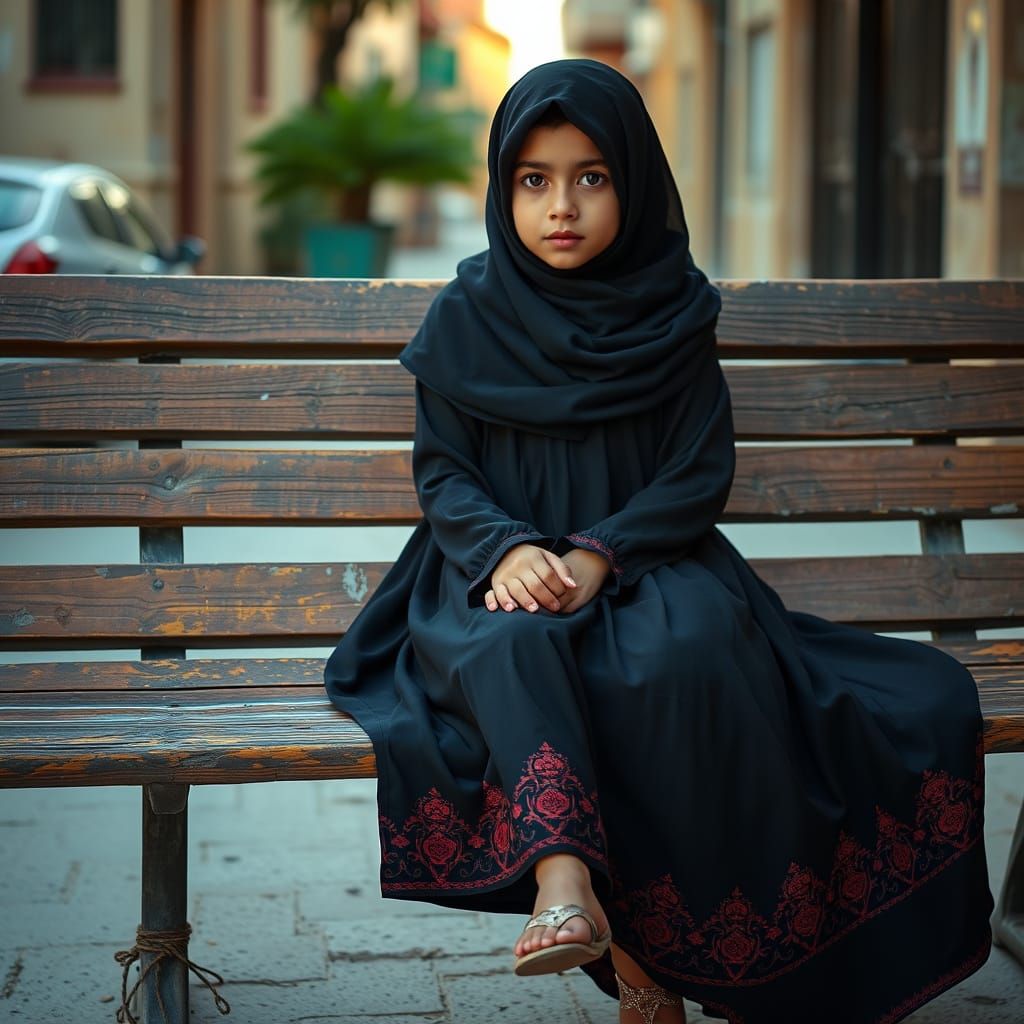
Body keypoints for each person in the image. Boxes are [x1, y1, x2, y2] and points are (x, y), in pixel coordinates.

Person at [325, 59, 993, 1023]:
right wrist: (509, 552)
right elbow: (444, 473)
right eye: (535, 179)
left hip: (647, 563)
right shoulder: (467, 319)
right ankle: (567, 892)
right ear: (502, 188)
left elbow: (695, 469)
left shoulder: (672, 313)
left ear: (634, 184)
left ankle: (653, 964)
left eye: (592, 177)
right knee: (511, 643)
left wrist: (601, 553)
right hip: (492, 569)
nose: (563, 205)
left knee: (680, 664)